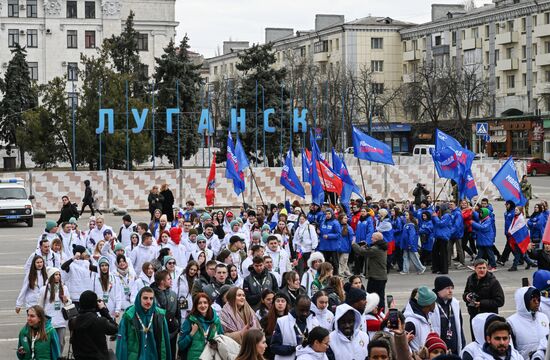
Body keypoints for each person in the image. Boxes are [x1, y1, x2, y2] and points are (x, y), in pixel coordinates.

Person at [116, 287, 172, 360]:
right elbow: (122, 343)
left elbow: (166, 341)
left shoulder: (160, 315)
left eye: (151, 298)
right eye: (145, 298)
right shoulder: (129, 316)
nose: (148, 301)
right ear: (139, 299)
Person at [69, 290, 118, 360]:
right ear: (95, 304)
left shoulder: (73, 322)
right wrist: (104, 311)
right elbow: (115, 329)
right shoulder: (100, 321)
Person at [462, 259, 505, 338]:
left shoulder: (493, 282)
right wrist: (467, 296)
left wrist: (481, 303)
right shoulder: (470, 279)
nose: (482, 270)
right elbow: (465, 293)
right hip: (474, 315)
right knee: (475, 341)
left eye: (484, 268)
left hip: (489, 318)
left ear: (487, 268)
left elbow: (500, 301)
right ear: (475, 269)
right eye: (479, 268)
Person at [272, 295, 320, 360]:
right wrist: (294, 348)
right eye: (302, 310)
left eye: (307, 310)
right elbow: (274, 347)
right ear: (295, 306)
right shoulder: (282, 322)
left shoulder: (315, 322)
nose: (305, 313)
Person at [507, 286, 549, 360]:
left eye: (538, 299)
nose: (537, 303)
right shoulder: (511, 322)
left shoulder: (544, 317)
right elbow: (510, 351)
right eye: (533, 300)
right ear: (525, 302)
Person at [178, 292, 224, 360]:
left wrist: (217, 344)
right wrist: (191, 334)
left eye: (205, 302)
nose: (203, 305)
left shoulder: (216, 321)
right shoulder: (189, 321)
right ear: (196, 305)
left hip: (212, 357)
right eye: (199, 303)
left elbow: (222, 340)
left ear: (209, 304)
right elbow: (181, 345)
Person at [38, 267, 71, 354]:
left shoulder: (64, 288)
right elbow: (40, 305)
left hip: (61, 320)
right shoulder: (43, 289)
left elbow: (69, 303)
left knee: (61, 342)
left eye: (59, 274)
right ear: (51, 276)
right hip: (49, 321)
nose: (58, 276)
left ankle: (58, 356)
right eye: (56, 275)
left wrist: (66, 300)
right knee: (49, 342)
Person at [430, 276, 465, 355]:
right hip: (439, 351)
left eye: (451, 288)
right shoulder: (432, 305)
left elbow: (459, 327)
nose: (450, 291)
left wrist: (463, 344)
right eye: (447, 288)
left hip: (454, 350)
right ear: (439, 290)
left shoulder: (455, 304)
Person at [352, 232, 387, 309]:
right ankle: (380, 312)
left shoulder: (376, 249)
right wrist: (366, 246)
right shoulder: (381, 246)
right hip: (380, 276)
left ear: (376, 239)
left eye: (372, 238)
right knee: (380, 296)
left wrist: (354, 244)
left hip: (376, 277)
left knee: (373, 297)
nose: (371, 239)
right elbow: (369, 250)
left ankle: (375, 312)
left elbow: (362, 252)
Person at [151, 270, 180, 359]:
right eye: (168, 279)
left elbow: (177, 312)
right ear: (162, 282)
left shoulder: (173, 294)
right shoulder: (152, 294)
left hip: (172, 330)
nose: (171, 280)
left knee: (171, 354)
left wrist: (178, 326)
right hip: (158, 330)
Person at [404, 286, 437, 352]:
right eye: (434, 302)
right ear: (427, 305)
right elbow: (403, 347)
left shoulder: (425, 316)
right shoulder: (411, 323)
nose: (435, 304)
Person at [261, 292, 290, 360]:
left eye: (283, 301)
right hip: (270, 352)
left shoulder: (291, 319)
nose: (280, 303)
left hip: (286, 352)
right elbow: (261, 336)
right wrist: (274, 337)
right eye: (277, 301)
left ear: (286, 304)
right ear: (274, 304)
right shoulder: (266, 319)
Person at [318, 208, 341, 275]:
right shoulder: (323, 222)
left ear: (332, 214)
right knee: (325, 263)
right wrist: (319, 233)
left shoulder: (335, 223)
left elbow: (338, 234)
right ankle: (326, 276)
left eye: (329, 214)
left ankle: (336, 275)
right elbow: (322, 233)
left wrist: (329, 236)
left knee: (334, 263)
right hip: (324, 246)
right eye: (326, 214)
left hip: (332, 247)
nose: (327, 215)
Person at [431, 203, 452, 274]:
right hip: (438, 236)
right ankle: (436, 268)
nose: (438, 210)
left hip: (443, 236)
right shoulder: (442, 215)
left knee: (443, 254)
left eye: (439, 208)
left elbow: (441, 224)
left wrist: (436, 217)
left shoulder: (447, 215)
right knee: (435, 252)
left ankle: (444, 269)